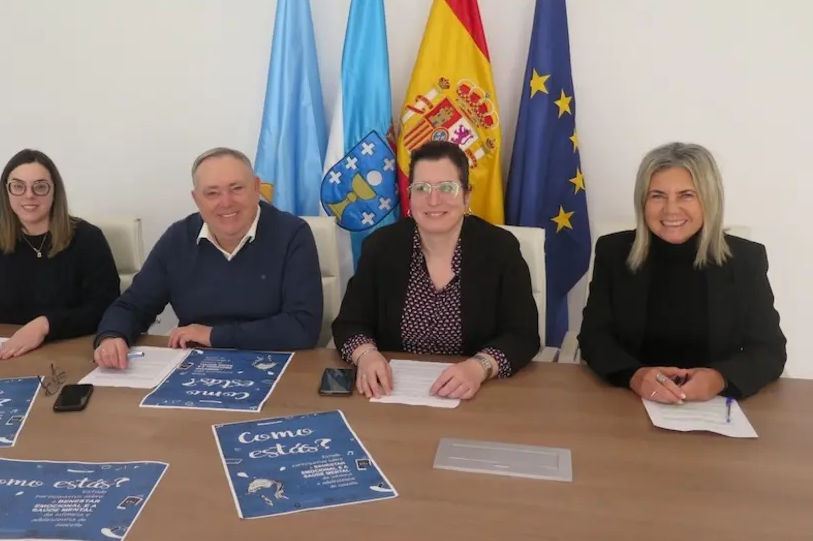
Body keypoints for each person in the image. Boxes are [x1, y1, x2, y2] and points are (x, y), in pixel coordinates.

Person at [331, 140, 540, 400]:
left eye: (446, 188)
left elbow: (524, 335)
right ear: (409, 195)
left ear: (466, 195)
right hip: (392, 395)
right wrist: (366, 355)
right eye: (421, 188)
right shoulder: (382, 247)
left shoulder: (499, 249)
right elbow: (350, 323)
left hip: (477, 397)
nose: (432, 199)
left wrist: (480, 367)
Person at [578, 142, 787, 402]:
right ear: (642, 201)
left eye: (686, 195)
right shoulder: (613, 252)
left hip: (715, 405)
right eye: (657, 195)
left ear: (709, 200)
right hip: (630, 401)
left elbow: (769, 349)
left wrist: (720, 378)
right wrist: (634, 375)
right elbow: (594, 337)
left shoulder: (746, 260)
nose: (670, 210)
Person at [93, 147, 323, 368]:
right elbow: (133, 305)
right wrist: (113, 336)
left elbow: (302, 327)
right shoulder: (178, 238)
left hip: (277, 364)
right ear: (196, 199)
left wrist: (214, 335)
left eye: (236, 188)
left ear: (256, 187)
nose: (226, 202)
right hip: (195, 366)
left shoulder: (292, 234)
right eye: (212, 193)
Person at [0, 149, 121, 359]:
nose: (29, 195)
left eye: (40, 186)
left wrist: (46, 325)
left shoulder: (87, 239)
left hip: (67, 355)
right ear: (6, 192)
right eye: (18, 186)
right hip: (3, 357)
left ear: (55, 191)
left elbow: (105, 307)